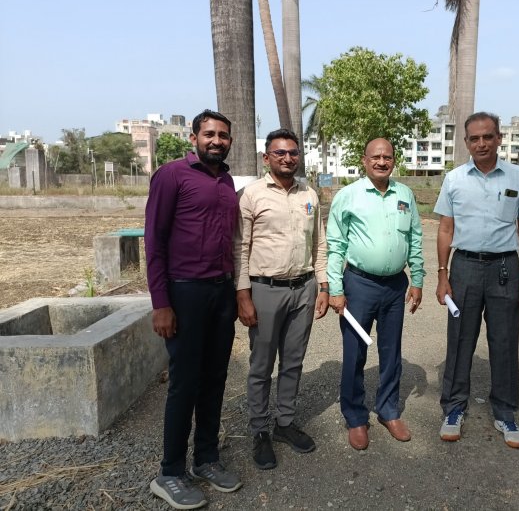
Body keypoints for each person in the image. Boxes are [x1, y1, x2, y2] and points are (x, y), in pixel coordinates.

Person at [145, 109, 242, 509]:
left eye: (223, 135)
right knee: (184, 382)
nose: (216, 140)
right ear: (194, 137)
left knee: (215, 378)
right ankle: (170, 471)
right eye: (209, 134)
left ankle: (206, 459)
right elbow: (154, 242)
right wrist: (162, 303)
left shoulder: (226, 181)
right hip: (185, 292)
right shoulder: (172, 176)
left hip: (220, 292)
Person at [434, 111, 519, 449]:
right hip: (463, 268)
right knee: (460, 340)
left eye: (487, 137)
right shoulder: (454, 179)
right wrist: (442, 274)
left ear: (499, 138)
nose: (481, 143)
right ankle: (453, 409)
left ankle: (506, 413)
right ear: (466, 143)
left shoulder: (518, 177)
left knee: (505, 341)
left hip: (505, 270)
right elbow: (446, 228)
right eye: (474, 138)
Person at [234, 129, 329, 470]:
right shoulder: (251, 195)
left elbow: (319, 242)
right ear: (266, 157)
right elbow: (239, 248)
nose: (287, 158)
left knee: (293, 361)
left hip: (303, 288)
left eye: (292, 153)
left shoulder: (310, 194)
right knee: (261, 365)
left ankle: (284, 423)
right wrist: (243, 295)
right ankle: (259, 430)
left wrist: (323, 284)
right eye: (280, 153)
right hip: (264, 290)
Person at [326, 138, 425, 450]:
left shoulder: (404, 194)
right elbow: (335, 245)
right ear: (364, 160)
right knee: (355, 352)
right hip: (359, 285)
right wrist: (336, 289)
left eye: (388, 157)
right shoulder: (349, 195)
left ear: (394, 160)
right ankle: (355, 417)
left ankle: (388, 410)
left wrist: (417, 278)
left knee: (391, 351)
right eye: (376, 157)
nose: (382, 162)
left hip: (395, 286)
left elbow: (415, 238)